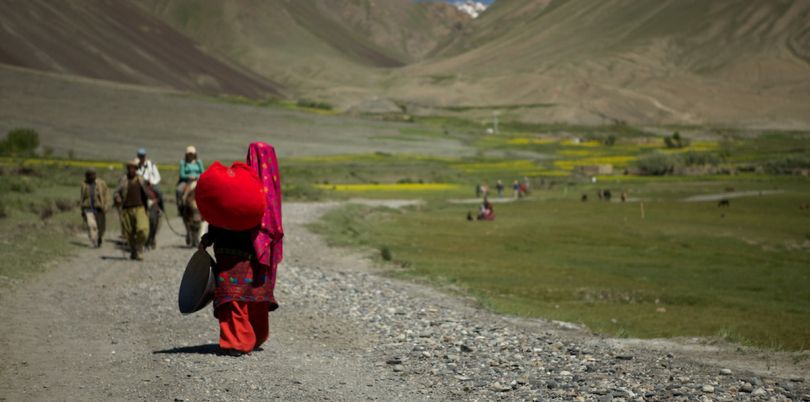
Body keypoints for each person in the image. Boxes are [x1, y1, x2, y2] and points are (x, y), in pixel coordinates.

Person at [199, 142, 283, 355]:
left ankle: (237, 341)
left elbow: (220, 211)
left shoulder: (244, 185)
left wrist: (209, 237)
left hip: (229, 252)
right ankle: (256, 335)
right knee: (253, 295)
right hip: (254, 254)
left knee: (232, 296)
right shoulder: (268, 194)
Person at [114, 159, 150, 260]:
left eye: (134, 167)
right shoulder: (123, 180)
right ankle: (133, 250)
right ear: (128, 168)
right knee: (129, 233)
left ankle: (140, 247)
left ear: (136, 169)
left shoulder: (141, 179)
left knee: (143, 230)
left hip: (140, 208)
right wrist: (117, 197)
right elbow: (116, 191)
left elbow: (147, 191)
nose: (132, 169)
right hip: (126, 209)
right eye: (130, 167)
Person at [80, 169, 109, 247]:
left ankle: (99, 237)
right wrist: (82, 208)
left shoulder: (101, 183)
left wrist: (105, 205)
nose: (92, 176)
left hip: (99, 208)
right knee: (91, 225)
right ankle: (94, 240)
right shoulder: (84, 184)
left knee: (101, 227)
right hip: (88, 208)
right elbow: (82, 197)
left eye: (93, 174)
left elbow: (106, 194)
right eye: (89, 175)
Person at [177, 145, 205, 216]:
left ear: (195, 154)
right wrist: (188, 176)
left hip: (198, 180)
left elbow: (203, 172)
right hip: (186, 181)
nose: (190, 155)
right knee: (179, 190)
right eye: (189, 154)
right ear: (186, 154)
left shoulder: (199, 162)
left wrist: (196, 176)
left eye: (192, 154)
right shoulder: (183, 162)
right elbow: (182, 174)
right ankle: (181, 208)